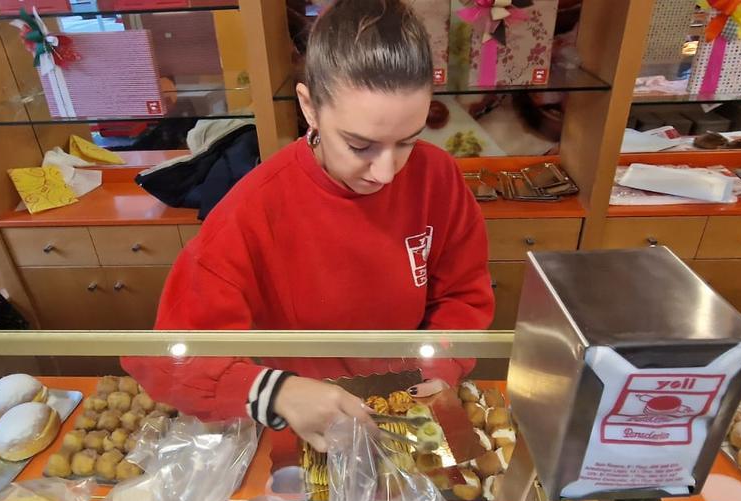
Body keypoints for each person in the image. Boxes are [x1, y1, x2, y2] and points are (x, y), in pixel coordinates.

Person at [122, 0, 494, 451]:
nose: (386, 172)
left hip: (409, 411)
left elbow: (463, 294)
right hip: (311, 429)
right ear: (310, 108)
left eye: (408, 142)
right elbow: (166, 358)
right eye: (360, 145)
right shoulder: (254, 210)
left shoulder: (438, 178)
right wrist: (274, 391)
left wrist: (442, 368)